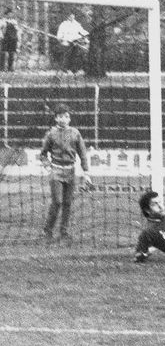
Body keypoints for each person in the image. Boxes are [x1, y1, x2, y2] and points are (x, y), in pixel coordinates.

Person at [40, 103, 92, 243]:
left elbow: (82, 154)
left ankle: (64, 232)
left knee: (68, 203)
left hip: (71, 171)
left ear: (69, 119)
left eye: (67, 116)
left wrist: (86, 173)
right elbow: (43, 154)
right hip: (56, 170)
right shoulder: (51, 133)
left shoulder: (75, 133)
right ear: (56, 118)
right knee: (57, 202)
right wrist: (48, 166)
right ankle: (48, 231)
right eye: (61, 116)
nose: (64, 119)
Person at [0, 7, 20, 71]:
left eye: (11, 14)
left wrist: (17, 38)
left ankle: (10, 68)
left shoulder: (14, 22)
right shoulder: (2, 21)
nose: (10, 15)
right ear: (6, 14)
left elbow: (17, 30)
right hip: (5, 39)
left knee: (11, 53)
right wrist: (1, 36)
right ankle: (2, 68)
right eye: (9, 14)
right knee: (3, 53)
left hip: (13, 39)